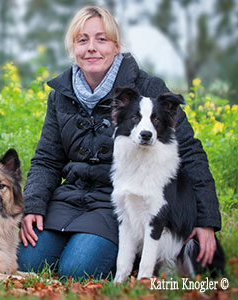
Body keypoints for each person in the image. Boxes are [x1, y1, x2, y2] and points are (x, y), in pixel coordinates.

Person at [17, 5, 221, 280]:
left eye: (101, 39)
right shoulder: (60, 95)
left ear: (116, 46)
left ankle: (124, 257)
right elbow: (47, 158)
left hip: (117, 204)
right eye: (82, 40)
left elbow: (190, 152)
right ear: (73, 48)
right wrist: (33, 205)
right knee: (28, 258)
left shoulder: (148, 88)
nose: (91, 48)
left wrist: (206, 220)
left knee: (78, 268)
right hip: (70, 198)